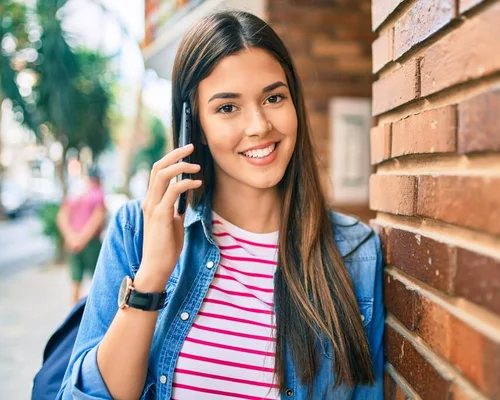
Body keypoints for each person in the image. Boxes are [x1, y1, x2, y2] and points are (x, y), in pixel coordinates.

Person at [58, 10, 383, 400]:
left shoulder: (356, 251)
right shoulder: (137, 230)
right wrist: (152, 277)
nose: (259, 125)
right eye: (227, 107)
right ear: (194, 125)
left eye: (274, 97)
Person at [57, 167, 106, 305]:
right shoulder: (98, 194)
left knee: (75, 283)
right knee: (97, 283)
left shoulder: (74, 193)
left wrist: (71, 238)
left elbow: (62, 216)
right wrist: (81, 240)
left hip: (73, 244)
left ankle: (74, 320)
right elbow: (97, 218)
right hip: (91, 244)